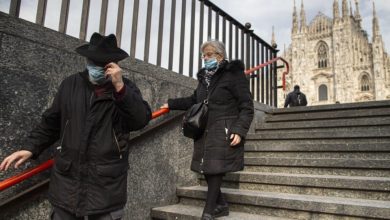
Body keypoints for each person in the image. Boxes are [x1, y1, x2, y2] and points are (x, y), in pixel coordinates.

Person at [0, 33, 152, 220]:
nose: (95, 68)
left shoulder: (126, 88)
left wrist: (120, 88)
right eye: (92, 62)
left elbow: (141, 119)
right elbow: (51, 122)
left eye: (101, 64)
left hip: (106, 192)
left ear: (113, 66)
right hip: (67, 189)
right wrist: (30, 148)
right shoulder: (71, 84)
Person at [161, 40, 254, 220]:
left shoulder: (234, 74)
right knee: (206, 168)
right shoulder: (204, 79)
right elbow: (194, 100)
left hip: (224, 129)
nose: (205, 58)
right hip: (204, 130)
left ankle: (208, 212)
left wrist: (239, 130)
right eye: (203, 55)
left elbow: (246, 105)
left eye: (208, 55)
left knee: (215, 168)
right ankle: (222, 205)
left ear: (220, 56)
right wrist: (171, 104)